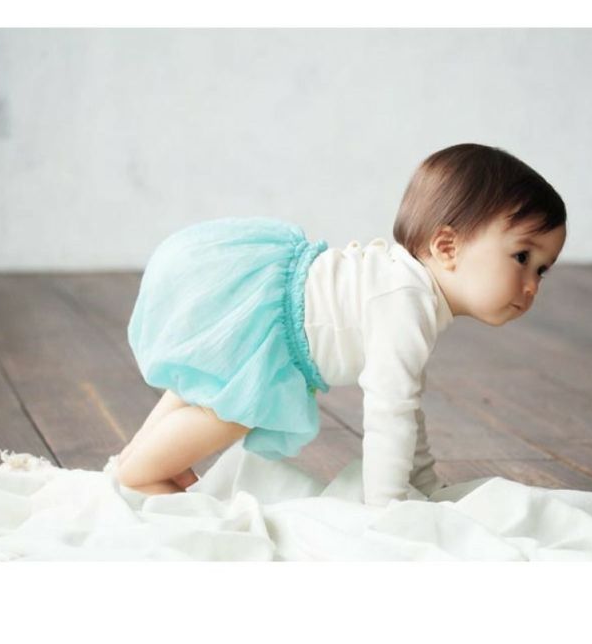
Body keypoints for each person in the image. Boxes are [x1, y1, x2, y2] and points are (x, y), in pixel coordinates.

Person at [115, 143, 567, 507]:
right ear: (447, 247)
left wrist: (426, 486)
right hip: (270, 328)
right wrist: (388, 508)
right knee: (232, 411)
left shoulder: (406, 289)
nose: (531, 285)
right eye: (521, 257)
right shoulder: (405, 302)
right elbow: (390, 413)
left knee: (210, 389)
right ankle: (141, 475)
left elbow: (407, 407)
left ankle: (141, 453)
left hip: (259, 312)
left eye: (542, 269)